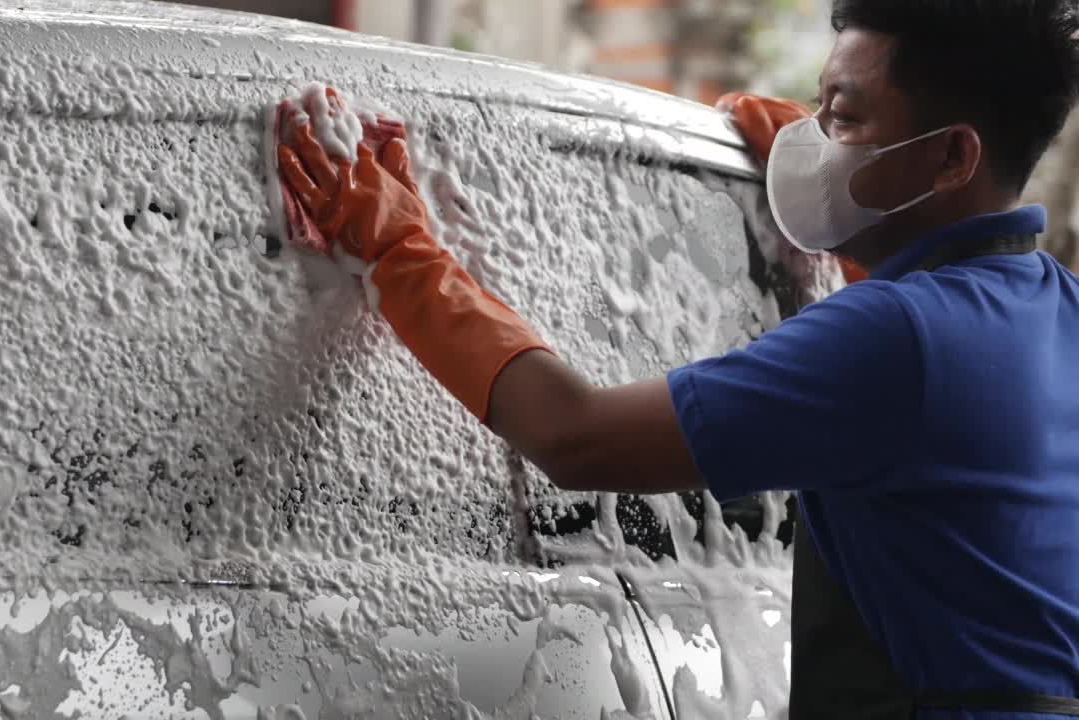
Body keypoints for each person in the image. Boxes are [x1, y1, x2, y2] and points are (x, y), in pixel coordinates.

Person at [277, 0, 1079, 717]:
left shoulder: (894, 338)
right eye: (820, 109)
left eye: (844, 119)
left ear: (950, 159)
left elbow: (573, 435)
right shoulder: (1055, 308)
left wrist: (395, 250)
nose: (815, 141)